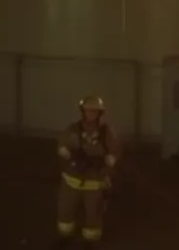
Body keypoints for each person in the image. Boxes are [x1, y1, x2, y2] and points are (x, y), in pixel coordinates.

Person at [56, 95, 121, 245]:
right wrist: (62, 150)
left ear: (99, 113)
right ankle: (65, 237)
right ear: (82, 112)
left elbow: (117, 149)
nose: (90, 114)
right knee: (65, 211)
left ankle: (90, 242)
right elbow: (61, 143)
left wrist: (112, 159)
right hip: (71, 181)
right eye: (87, 111)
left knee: (94, 214)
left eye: (94, 111)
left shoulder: (106, 132)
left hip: (95, 182)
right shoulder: (72, 129)